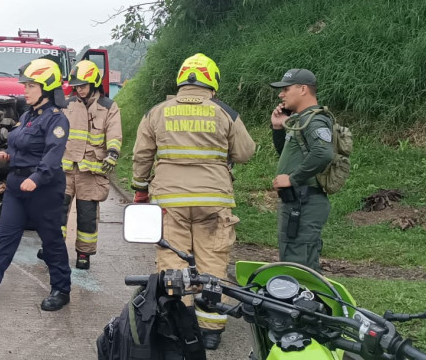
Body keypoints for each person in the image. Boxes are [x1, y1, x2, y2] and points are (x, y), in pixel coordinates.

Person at [130, 53, 255, 350]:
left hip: (170, 201)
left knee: (172, 263)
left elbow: (142, 155)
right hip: (213, 201)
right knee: (212, 262)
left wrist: (140, 189)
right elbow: (245, 153)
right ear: (212, 81)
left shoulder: (157, 112)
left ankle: (175, 325)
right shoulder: (224, 112)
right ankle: (210, 331)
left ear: (182, 79)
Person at [0, 58, 72, 311]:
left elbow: (52, 156)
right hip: (17, 185)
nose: (25, 90)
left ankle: (61, 289)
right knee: (5, 239)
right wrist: (9, 156)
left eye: (31, 85)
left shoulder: (56, 120)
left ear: (46, 88)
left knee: (51, 241)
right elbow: (22, 145)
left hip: (44, 188)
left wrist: (35, 178)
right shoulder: (27, 115)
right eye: (25, 85)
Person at [47, 59, 122, 269]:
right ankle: (53, 249)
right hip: (66, 169)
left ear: (94, 84)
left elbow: (115, 133)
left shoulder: (108, 107)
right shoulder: (67, 105)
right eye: (76, 86)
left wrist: (113, 153)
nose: (79, 90)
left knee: (87, 215)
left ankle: (84, 254)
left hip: (91, 170)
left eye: (83, 86)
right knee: (57, 211)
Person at [269, 69, 334, 272]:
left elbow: (323, 153)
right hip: (295, 202)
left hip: (305, 202)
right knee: (292, 259)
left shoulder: (314, 120)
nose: (281, 94)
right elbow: (288, 156)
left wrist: (293, 179)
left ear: (303, 89)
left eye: (286, 89)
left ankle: (308, 303)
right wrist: (278, 128)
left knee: (300, 266)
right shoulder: (300, 120)